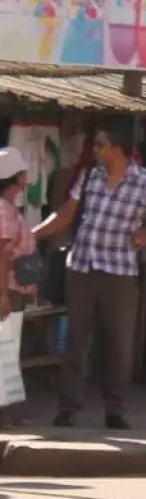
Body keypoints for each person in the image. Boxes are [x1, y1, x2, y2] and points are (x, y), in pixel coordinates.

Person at [34, 117, 146, 429]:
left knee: (118, 344)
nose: (96, 150)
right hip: (82, 266)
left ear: (119, 149)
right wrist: (30, 234)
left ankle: (115, 408)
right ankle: (69, 407)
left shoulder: (142, 180)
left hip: (119, 272)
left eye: (101, 145)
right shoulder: (90, 176)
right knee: (77, 339)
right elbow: (65, 215)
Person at [0, 148, 37, 426]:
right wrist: (2, 295)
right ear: (18, 178)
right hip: (7, 291)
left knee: (8, 349)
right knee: (5, 349)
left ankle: (8, 407)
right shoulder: (4, 211)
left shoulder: (10, 210)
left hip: (15, 289)